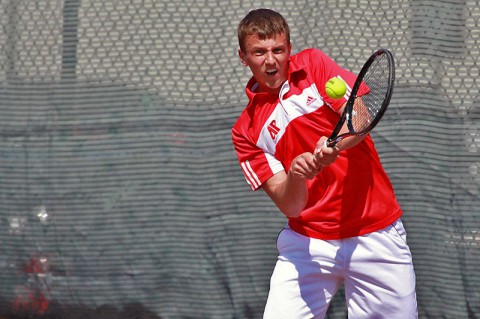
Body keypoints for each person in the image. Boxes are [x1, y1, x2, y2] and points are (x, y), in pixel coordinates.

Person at [231, 8, 418, 319]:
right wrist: (295, 175)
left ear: (289, 49)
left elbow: (359, 116)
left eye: (278, 50)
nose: (270, 60)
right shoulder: (246, 130)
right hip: (308, 245)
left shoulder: (314, 65)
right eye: (259, 52)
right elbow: (290, 205)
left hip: (375, 233)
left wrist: (335, 144)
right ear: (243, 57)